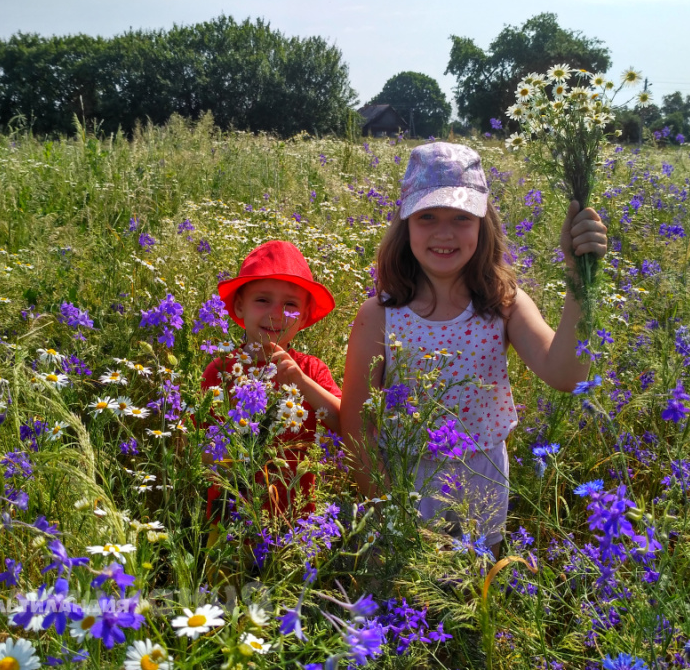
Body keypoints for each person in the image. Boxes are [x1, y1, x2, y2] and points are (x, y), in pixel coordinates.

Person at [340, 142, 607, 550]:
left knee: (472, 589)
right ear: (405, 224)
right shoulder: (378, 314)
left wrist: (579, 278)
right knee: (405, 598)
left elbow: (566, 375)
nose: (444, 232)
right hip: (403, 480)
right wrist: (383, 504)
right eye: (427, 216)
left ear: (483, 225)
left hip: (481, 474)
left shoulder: (505, 304)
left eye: (462, 217)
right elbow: (357, 422)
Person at [201, 240, 342, 520]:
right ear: (240, 307)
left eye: (290, 305)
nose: (276, 314)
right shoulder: (221, 369)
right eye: (262, 300)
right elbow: (202, 451)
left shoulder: (311, 370)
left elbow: (344, 423)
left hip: (296, 514)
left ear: (302, 318)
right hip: (231, 514)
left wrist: (300, 382)